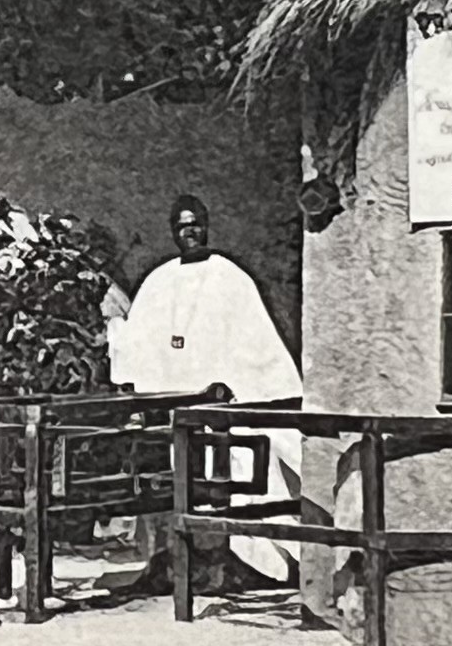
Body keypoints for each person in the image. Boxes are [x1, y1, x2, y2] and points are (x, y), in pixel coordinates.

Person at [107, 194, 310, 592]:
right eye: (182, 226)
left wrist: (234, 390)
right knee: (164, 459)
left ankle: (240, 561)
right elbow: (137, 347)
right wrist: (116, 325)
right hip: (174, 419)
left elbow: (257, 350)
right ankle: (178, 561)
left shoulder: (231, 279)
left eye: (196, 224)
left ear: (207, 225)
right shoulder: (158, 281)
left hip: (227, 414)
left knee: (242, 456)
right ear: (173, 231)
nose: (190, 232)